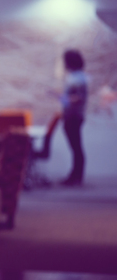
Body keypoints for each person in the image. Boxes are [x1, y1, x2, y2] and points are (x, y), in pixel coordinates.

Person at [59, 49, 88, 186]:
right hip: (73, 115)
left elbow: (78, 98)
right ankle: (75, 175)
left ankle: (76, 177)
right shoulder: (77, 77)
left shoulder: (78, 78)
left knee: (76, 147)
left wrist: (63, 98)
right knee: (76, 147)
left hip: (73, 116)